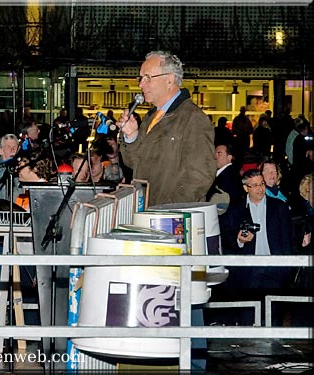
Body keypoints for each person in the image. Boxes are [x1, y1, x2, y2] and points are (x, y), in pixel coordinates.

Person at [116, 50, 215, 206]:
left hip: (170, 219)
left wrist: (170, 208)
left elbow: (200, 175)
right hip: (148, 211)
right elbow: (135, 163)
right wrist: (131, 135)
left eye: (147, 77)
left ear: (169, 80)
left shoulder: (193, 118)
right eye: (141, 78)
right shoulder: (151, 118)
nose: (141, 84)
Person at [219, 169, 292, 325]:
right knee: (247, 316)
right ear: (246, 188)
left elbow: (287, 240)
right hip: (248, 272)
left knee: (273, 317)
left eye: (262, 184)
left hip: (274, 269)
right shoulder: (235, 210)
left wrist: (285, 269)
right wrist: (239, 240)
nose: (260, 189)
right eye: (255, 185)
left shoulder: (279, 207)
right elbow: (226, 238)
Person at [207, 144, 244, 214]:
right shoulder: (225, 173)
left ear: (229, 157)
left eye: (219, 154)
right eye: (215, 154)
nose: (215, 157)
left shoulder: (230, 175)